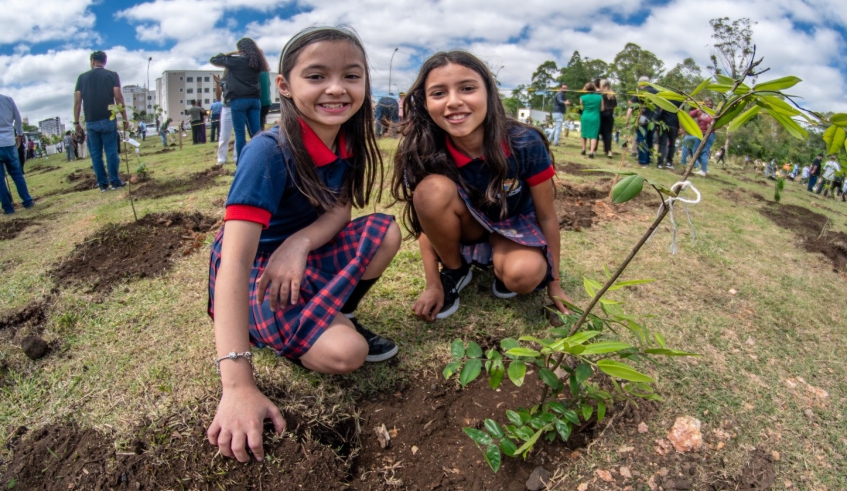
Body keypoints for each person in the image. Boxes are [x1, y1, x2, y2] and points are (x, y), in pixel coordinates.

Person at [206, 26, 400, 463]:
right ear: (284, 87)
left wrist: (298, 242)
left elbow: (339, 211)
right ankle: (268, 327)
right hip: (256, 269)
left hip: (300, 255)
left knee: (385, 232)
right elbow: (233, 264)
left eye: (351, 76)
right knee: (348, 352)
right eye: (316, 76)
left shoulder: (347, 137)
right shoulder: (267, 152)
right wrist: (237, 385)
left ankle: (336, 312)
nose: (336, 89)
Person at [390, 50, 573, 321]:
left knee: (524, 277)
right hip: (468, 226)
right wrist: (433, 284)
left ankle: (504, 260)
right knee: (430, 191)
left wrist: (554, 281)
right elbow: (426, 225)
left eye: (467, 88)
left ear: (489, 92)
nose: (453, 102)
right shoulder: (424, 150)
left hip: (513, 223)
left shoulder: (525, 142)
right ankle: (456, 269)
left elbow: (546, 215)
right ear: (425, 103)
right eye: (438, 93)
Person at [73, 50, 128, 192]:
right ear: (105, 61)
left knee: (96, 154)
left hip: (91, 121)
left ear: (92, 61)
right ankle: (115, 181)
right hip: (108, 118)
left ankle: (103, 184)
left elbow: (77, 102)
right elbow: (118, 96)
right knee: (111, 151)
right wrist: (124, 117)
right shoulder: (112, 75)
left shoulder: (82, 78)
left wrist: (76, 122)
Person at [210, 38, 266, 163]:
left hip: (239, 101)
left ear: (241, 49)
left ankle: (241, 163)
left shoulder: (237, 62)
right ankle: (262, 158)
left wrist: (233, 52)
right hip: (255, 100)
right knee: (256, 133)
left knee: (240, 134)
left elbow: (214, 59)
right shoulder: (257, 63)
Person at [0, 94, 34, 215]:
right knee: (17, 174)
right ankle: (27, 201)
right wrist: (19, 134)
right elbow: (18, 119)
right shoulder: (7, 100)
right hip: (9, 142)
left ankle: (8, 208)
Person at [624, 77, 659, 166]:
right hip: (654, 120)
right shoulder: (657, 92)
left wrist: (638, 108)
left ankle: (643, 162)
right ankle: (649, 159)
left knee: (642, 139)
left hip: (643, 118)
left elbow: (630, 102)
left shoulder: (642, 92)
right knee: (650, 140)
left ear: (641, 83)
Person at [213, 74, 237, 164]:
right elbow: (218, 97)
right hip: (226, 108)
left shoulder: (239, 77)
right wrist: (218, 83)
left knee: (238, 134)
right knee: (224, 135)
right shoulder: (224, 80)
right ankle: (221, 158)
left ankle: (236, 157)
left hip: (238, 107)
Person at [654, 96, 682, 170]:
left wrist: (657, 122)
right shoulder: (680, 102)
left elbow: (660, 111)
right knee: (672, 145)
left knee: (662, 144)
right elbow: (680, 116)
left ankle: (660, 163)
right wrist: (681, 127)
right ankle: (669, 162)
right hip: (674, 126)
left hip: (664, 125)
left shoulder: (665, 100)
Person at [579, 82, 603, 158]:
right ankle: (591, 152)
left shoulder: (582, 97)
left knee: (584, 133)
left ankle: (583, 149)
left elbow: (582, 107)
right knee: (594, 135)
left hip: (585, 116)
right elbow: (602, 108)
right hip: (595, 117)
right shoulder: (600, 97)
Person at [598, 80, 616, 158]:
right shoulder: (612, 95)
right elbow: (614, 105)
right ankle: (609, 151)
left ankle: (593, 150)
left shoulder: (601, 95)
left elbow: (600, 105)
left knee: (597, 132)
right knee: (608, 134)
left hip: (602, 114)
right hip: (610, 115)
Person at [259, 64, 272, 129]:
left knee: (257, 128)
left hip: (259, 102)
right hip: (267, 102)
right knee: (261, 124)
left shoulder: (255, 72)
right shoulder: (266, 72)